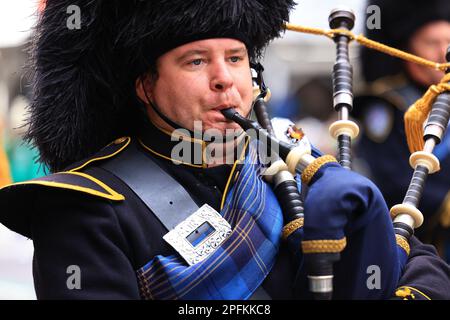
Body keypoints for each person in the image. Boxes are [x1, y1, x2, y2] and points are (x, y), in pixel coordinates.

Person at [0, 0, 449, 300]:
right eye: (196, 60)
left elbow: (420, 262)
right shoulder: (85, 209)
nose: (225, 79)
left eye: (235, 58)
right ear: (144, 85)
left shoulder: (291, 158)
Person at [355, 0, 450, 261]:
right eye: (431, 43)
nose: (444, 53)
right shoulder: (385, 104)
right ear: (408, 49)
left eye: (449, 42)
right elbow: (392, 179)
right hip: (413, 247)